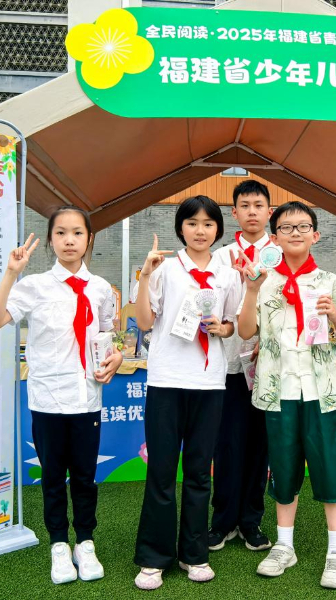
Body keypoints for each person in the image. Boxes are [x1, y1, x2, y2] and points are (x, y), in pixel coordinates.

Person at [0, 206, 122, 585]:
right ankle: (59, 545)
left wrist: (115, 357)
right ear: (50, 239)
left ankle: (86, 543)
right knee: (53, 478)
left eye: (77, 232)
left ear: (89, 238)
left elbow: (107, 336)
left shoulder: (100, 288)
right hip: (47, 399)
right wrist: (11, 273)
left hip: (87, 399)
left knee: (85, 478)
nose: (69, 240)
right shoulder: (34, 286)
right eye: (61, 233)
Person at [237, 201, 336, 589]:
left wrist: (335, 316)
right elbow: (245, 331)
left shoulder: (331, 282)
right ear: (273, 238)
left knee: (331, 469)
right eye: (286, 227)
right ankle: (284, 545)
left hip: (323, 393)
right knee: (283, 468)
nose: (295, 233)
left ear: (315, 235)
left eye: (303, 226)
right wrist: (251, 289)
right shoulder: (263, 281)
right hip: (279, 392)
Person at [132, 195, 242, 590]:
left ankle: (194, 553)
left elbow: (232, 323)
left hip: (209, 382)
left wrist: (222, 329)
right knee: (161, 472)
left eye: (208, 224)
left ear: (218, 229)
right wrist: (145, 276)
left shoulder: (228, 274)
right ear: (180, 227)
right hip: (166, 380)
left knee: (198, 473)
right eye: (192, 223)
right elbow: (145, 322)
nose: (200, 230)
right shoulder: (164, 269)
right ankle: (153, 557)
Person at [207, 180, 274, 552]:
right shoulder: (220, 257)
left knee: (259, 447)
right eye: (244, 205)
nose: (252, 211)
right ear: (234, 213)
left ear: (269, 211)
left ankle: (251, 521)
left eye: (258, 205)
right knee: (227, 445)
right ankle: (222, 521)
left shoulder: (279, 254)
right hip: (230, 367)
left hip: (268, 368)